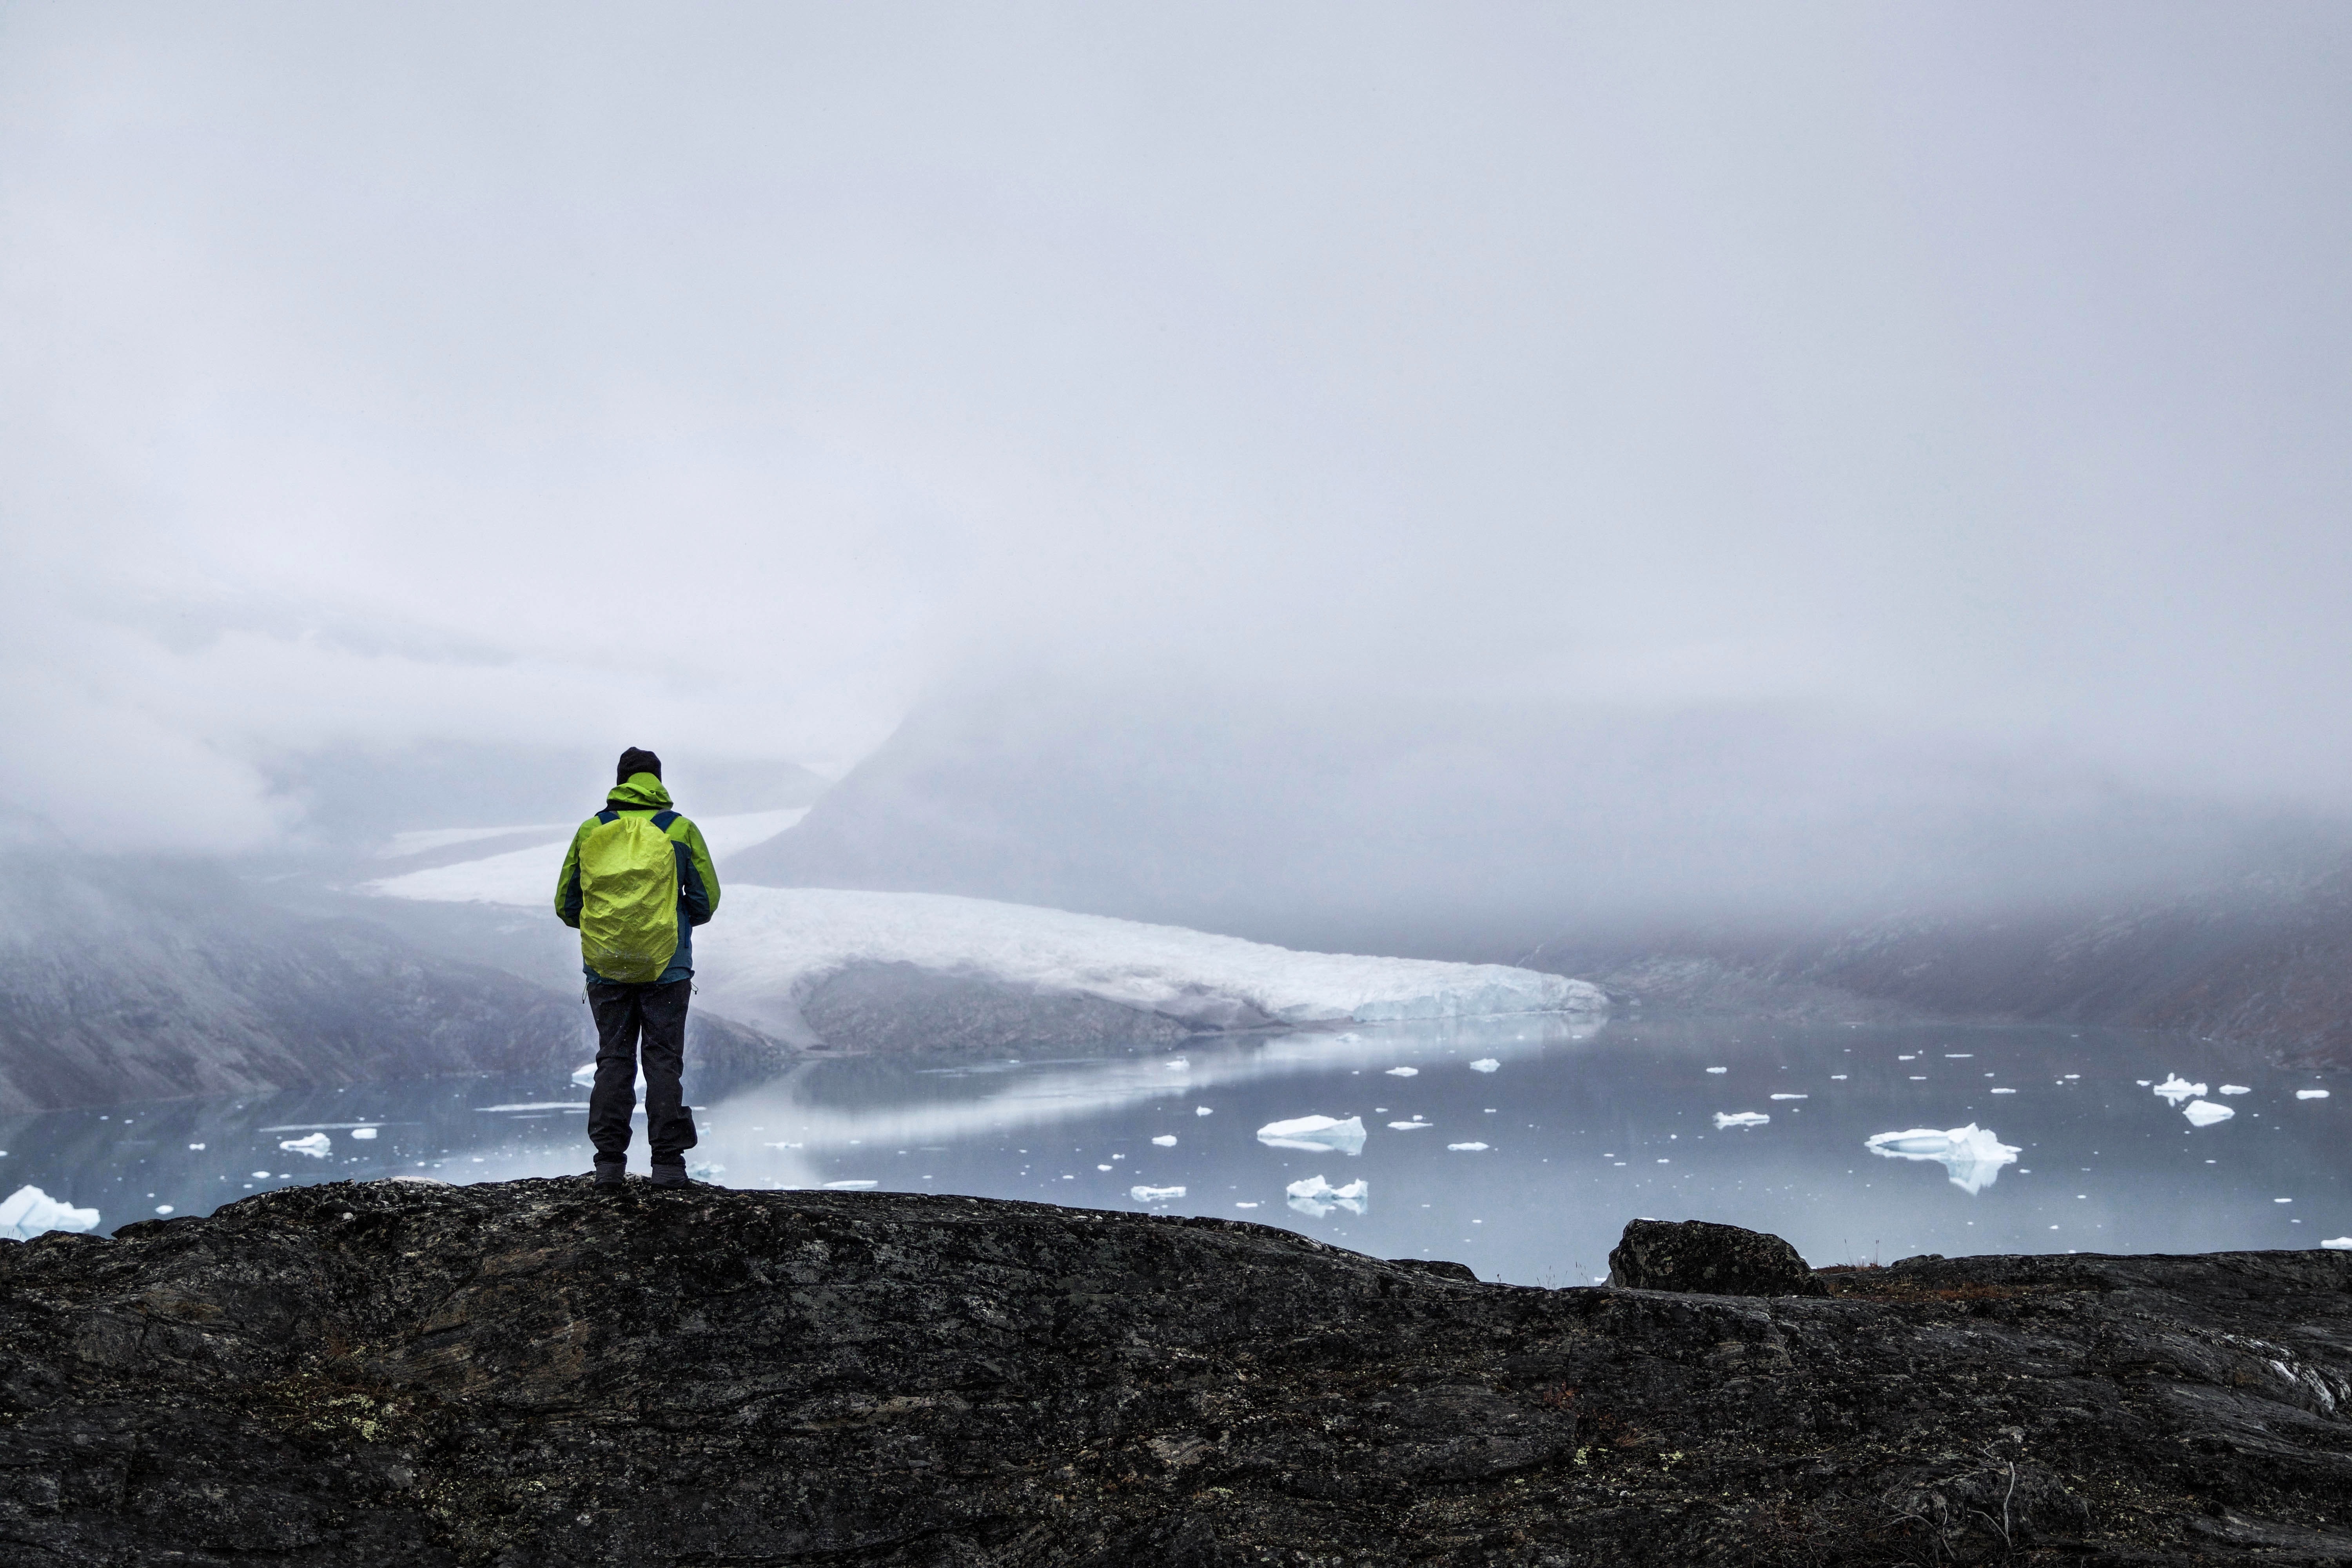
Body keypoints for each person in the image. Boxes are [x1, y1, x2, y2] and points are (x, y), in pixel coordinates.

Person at [555, 746, 721, 1188]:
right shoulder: (680, 829)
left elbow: (567, 903)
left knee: (614, 1059)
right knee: (663, 1061)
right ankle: (668, 1165)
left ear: (620, 781)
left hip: (606, 968)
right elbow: (706, 901)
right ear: (658, 781)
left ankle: (609, 1165)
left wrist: (606, 933)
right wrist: (672, 922)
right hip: (667, 967)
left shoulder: (593, 829)